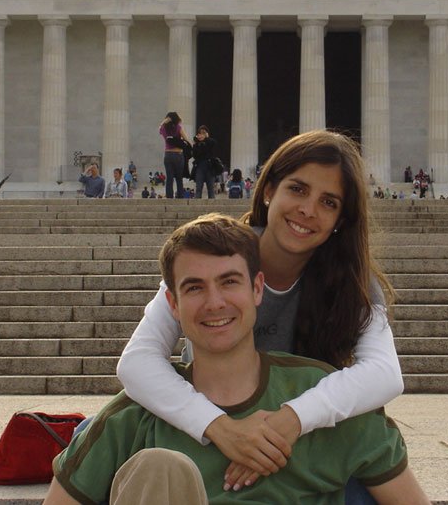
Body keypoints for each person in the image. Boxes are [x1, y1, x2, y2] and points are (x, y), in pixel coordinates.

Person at [45, 214, 429, 505]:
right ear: (173, 305)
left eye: (229, 281)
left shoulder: (328, 403)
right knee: (160, 467)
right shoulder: (133, 417)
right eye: (195, 287)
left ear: (258, 289)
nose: (215, 303)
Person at [117, 130, 404, 502]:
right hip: (208, 423)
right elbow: (137, 362)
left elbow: (384, 375)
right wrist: (220, 428)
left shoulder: (351, 281)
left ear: (340, 221)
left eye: (329, 202)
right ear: (268, 190)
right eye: (298, 189)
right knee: (98, 440)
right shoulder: (217, 254)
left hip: (303, 440)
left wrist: (289, 422)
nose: (308, 210)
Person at [159, 111, 190, 199]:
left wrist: (164, 121)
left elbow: (159, 128)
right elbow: (186, 139)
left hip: (168, 154)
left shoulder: (164, 128)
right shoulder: (178, 127)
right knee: (179, 178)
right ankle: (180, 196)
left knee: (169, 178)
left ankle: (169, 197)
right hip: (178, 154)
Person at [192, 125, 217, 199]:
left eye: (204, 133)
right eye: (200, 133)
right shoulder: (197, 144)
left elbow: (213, 152)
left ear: (207, 134)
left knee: (211, 189)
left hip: (210, 167)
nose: (201, 135)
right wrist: (197, 143)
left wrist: (206, 140)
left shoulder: (211, 142)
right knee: (198, 188)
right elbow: (195, 155)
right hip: (200, 167)